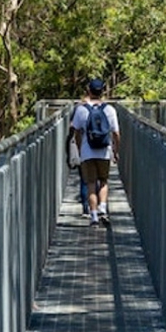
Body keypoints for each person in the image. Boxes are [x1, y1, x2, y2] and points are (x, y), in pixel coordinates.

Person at [71, 78, 120, 226]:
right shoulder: (110, 110)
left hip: (87, 152)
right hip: (104, 151)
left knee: (91, 183)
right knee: (103, 181)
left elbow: (76, 132)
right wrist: (116, 150)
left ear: (89, 91)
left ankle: (93, 216)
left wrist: (80, 149)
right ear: (102, 91)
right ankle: (103, 209)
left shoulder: (81, 110)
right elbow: (116, 133)